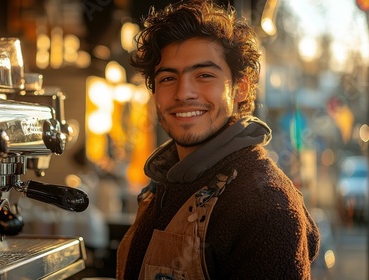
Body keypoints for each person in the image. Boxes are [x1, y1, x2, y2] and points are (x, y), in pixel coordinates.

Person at [116, 1, 320, 279]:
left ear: (240, 87)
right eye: (167, 78)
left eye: (204, 75)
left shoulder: (266, 207)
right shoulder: (167, 185)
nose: (183, 93)